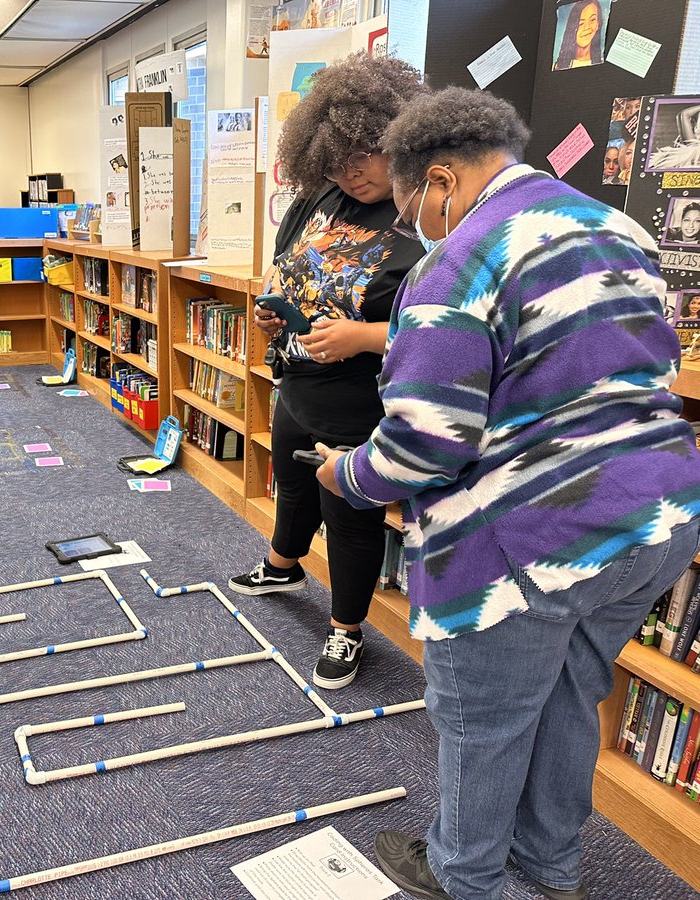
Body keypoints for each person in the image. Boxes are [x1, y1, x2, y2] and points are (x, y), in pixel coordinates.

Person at [314, 86, 700, 900]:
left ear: (442, 181)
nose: (410, 218)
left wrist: (346, 475)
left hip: (533, 535)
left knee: (479, 720)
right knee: (569, 696)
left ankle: (464, 874)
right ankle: (552, 865)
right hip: (656, 515)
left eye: (411, 198)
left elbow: (426, 443)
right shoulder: (612, 226)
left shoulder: (457, 262)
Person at [226, 52, 425, 690]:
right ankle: (283, 565)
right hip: (297, 382)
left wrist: (364, 335)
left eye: (365, 152)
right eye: (335, 157)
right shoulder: (320, 194)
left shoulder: (426, 216)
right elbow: (284, 267)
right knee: (290, 482)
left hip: (361, 400)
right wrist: (270, 316)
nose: (350, 170)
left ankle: (346, 631)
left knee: (348, 513)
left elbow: (455, 331)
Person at [554, 0, 604, 70]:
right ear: (572, 28)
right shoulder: (558, 67)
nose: (587, 27)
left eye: (592, 20)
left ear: (598, 24)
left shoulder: (603, 63)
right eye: (581, 23)